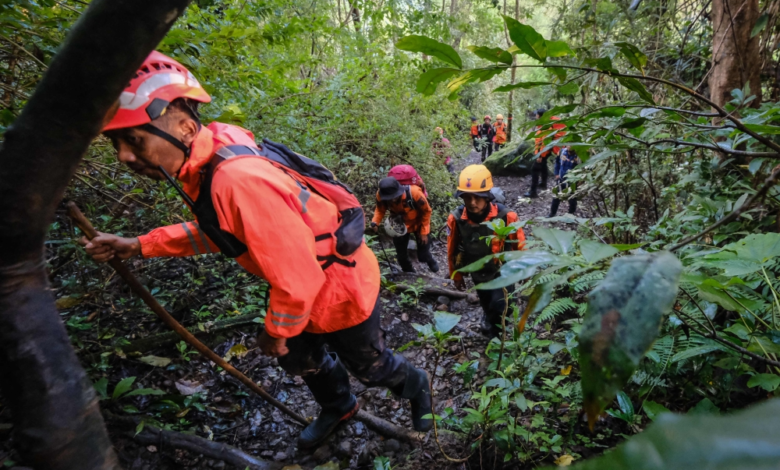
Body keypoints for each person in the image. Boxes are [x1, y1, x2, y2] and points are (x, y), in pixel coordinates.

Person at [79, 51, 432, 449]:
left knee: (370, 366)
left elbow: (298, 279)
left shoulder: (237, 179)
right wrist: (139, 245)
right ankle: (340, 406)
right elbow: (224, 232)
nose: (123, 155)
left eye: (133, 139)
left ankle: (417, 385)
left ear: (184, 127)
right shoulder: (210, 162)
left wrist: (274, 333)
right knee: (300, 360)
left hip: (339, 289)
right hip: (301, 290)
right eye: (116, 142)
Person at [447, 165, 526, 338]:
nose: (472, 202)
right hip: (478, 271)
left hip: (503, 271)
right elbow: (452, 247)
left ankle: (497, 337)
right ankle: (489, 317)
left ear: (487, 196)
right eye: (467, 197)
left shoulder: (507, 216)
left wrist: (526, 270)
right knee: (485, 301)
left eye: (477, 197)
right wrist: (456, 274)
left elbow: (520, 245)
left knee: (501, 306)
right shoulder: (457, 219)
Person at [371, 176, 439, 273]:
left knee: (423, 254)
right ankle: (409, 273)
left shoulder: (415, 193)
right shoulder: (381, 195)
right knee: (401, 256)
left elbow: (426, 211)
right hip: (399, 225)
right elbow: (380, 209)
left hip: (418, 223)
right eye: (389, 198)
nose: (391, 200)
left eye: (393, 197)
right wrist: (375, 222)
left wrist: (424, 232)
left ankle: (430, 260)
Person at [525, 108, 566, 198]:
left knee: (535, 169)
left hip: (544, 151)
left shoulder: (545, 127)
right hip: (549, 149)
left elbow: (543, 142)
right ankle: (543, 183)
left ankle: (533, 192)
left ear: (540, 116)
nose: (535, 116)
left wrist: (540, 155)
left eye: (537, 115)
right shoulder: (546, 123)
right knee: (543, 165)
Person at [549, 147, 580, 217]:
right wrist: (556, 173)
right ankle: (552, 213)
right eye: (568, 144)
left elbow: (582, 168)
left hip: (572, 181)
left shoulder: (579, 155)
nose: (569, 146)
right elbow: (557, 162)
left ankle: (571, 215)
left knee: (572, 198)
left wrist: (580, 180)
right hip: (561, 178)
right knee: (556, 196)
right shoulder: (562, 152)